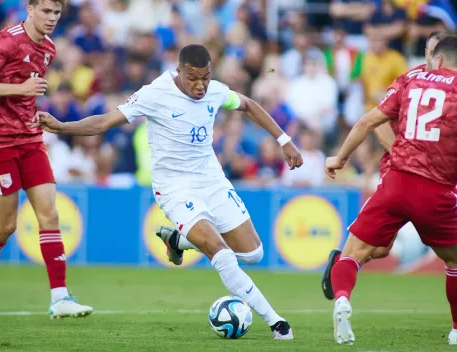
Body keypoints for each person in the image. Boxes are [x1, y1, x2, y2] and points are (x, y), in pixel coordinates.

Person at [30, 44, 303, 339]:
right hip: (175, 187)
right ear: (180, 71)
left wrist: (284, 139)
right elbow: (105, 121)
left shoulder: (215, 90)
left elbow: (248, 104)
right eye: (193, 78)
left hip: (212, 180)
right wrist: (61, 126)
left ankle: (179, 241)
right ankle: (277, 322)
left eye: (206, 78)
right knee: (221, 253)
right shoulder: (155, 93)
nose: (200, 85)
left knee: (253, 254)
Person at [324, 34, 457, 345]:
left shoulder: (410, 80)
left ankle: (342, 298)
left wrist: (340, 158)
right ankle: (456, 329)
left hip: (395, 180)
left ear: (436, 58)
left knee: (356, 252)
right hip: (434, 188)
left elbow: (368, 121)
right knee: (454, 261)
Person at [0, 0, 92, 321]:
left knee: (50, 214)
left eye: (57, 13)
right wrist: (20, 87)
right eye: (46, 11)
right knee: (6, 226)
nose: (52, 19)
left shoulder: (48, 48)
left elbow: (25, 97)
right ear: (30, 9)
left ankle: (60, 297)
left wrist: (36, 113)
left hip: (31, 140)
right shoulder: (4, 41)